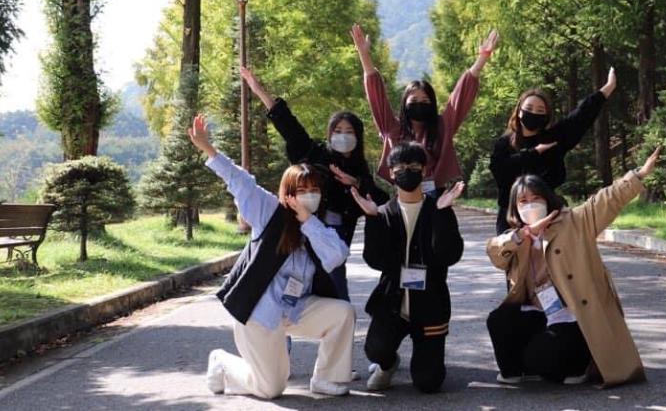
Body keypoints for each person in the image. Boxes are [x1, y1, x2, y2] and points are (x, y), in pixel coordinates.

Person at [188, 114, 355, 399]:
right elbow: (241, 181)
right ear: (288, 193)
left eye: (314, 190)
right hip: (260, 315)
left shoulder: (316, 227)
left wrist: (307, 221)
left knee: (342, 313)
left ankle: (327, 379)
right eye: (301, 190)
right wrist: (209, 149)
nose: (309, 196)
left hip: (296, 309)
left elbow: (337, 255)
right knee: (270, 388)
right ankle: (222, 363)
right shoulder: (268, 211)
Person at [485, 146, 661, 387]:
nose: (530, 205)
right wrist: (523, 235)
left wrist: (638, 174)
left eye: (536, 198)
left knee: (540, 359)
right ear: (515, 208)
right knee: (499, 320)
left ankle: (580, 363)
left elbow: (607, 199)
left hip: (573, 314)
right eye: (523, 201)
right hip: (538, 310)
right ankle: (515, 371)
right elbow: (495, 252)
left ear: (547, 199)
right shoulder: (517, 237)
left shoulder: (574, 221)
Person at [239, 65, 389, 301]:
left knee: (337, 294)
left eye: (349, 131)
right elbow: (289, 127)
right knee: (292, 292)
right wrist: (259, 91)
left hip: (335, 239)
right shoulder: (315, 153)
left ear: (357, 136)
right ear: (330, 134)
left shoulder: (359, 169)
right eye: (337, 130)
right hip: (302, 230)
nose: (343, 135)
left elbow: (381, 201)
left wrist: (355, 183)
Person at [349, 142, 465, 393]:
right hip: (393, 303)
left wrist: (443, 214)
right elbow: (375, 260)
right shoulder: (383, 212)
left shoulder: (438, 208)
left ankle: (426, 360)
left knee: (428, 382)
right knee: (376, 349)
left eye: (413, 166)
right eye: (400, 167)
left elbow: (449, 255)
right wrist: (372, 219)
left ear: (424, 170)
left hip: (430, 304)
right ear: (391, 172)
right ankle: (388, 365)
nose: (407, 171)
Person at [350, 22, 498, 195]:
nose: (419, 103)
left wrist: (482, 59)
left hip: (434, 196)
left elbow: (460, 97)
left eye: (425, 100)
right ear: (404, 103)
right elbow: (377, 96)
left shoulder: (442, 126)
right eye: (414, 100)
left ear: (432, 103)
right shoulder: (391, 127)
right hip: (402, 194)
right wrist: (364, 55)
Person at [490, 69, 617, 234]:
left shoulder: (553, 139)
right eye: (529, 108)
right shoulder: (504, 143)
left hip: (549, 217)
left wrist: (607, 89)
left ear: (546, 116)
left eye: (540, 111)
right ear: (519, 111)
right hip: (511, 218)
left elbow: (580, 116)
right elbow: (499, 170)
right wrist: (533, 154)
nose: (533, 113)